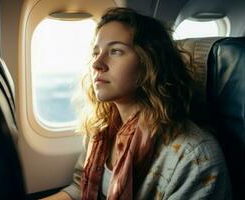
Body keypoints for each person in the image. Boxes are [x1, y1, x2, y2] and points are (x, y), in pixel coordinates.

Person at [43, 7, 231, 200]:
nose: (97, 64)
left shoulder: (195, 156)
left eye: (115, 51)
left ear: (149, 64)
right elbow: (79, 188)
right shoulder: (102, 131)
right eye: (96, 52)